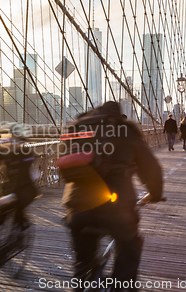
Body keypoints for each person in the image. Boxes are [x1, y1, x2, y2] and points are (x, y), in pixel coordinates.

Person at [58, 101, 163, 292]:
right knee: (130, 245)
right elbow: (151, 169)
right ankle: (121, 287)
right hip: (116, 208)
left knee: (83, 263)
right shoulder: (127, 131)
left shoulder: (77, 127)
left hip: (78, 208)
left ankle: (82, 281)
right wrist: (155, 194)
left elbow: (65, 166)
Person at [0, 122, 37, 277]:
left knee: (17, 211)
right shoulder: (5, 150)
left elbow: (22, 178)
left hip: (25, 191)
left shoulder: (27, 152)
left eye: (15, 139)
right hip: (8, 189)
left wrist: (9, 198)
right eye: (9, 137)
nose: (11, 141)